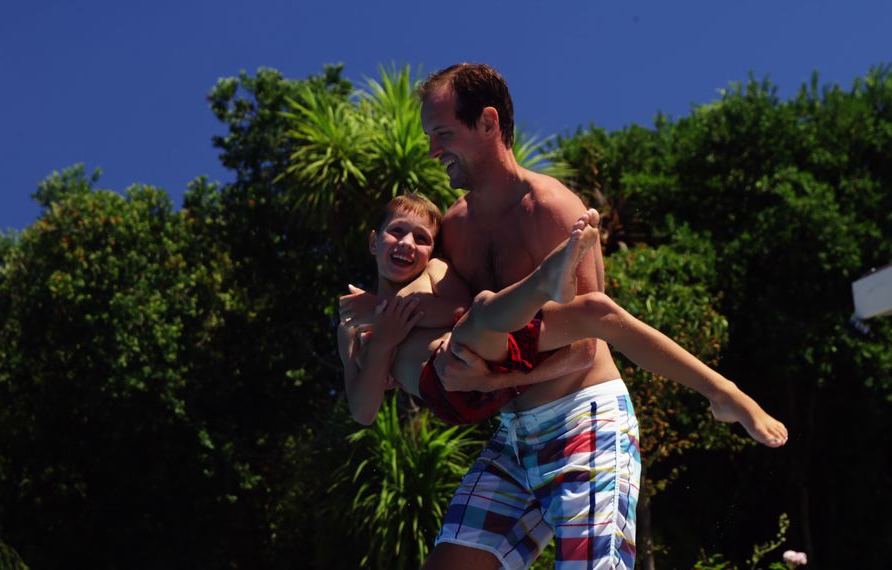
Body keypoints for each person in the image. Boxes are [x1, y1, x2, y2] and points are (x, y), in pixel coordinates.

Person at [337, 63, 787, 570]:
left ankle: (722, 391)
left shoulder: (549, 208)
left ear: (487, 124)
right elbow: (440, 308)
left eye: (443, 133)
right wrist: (383, 337)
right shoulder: (456, 228)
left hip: (583, 418)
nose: (433, 149)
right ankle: (541, 290)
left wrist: (494, 375)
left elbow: (588, 345)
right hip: (513, 433)